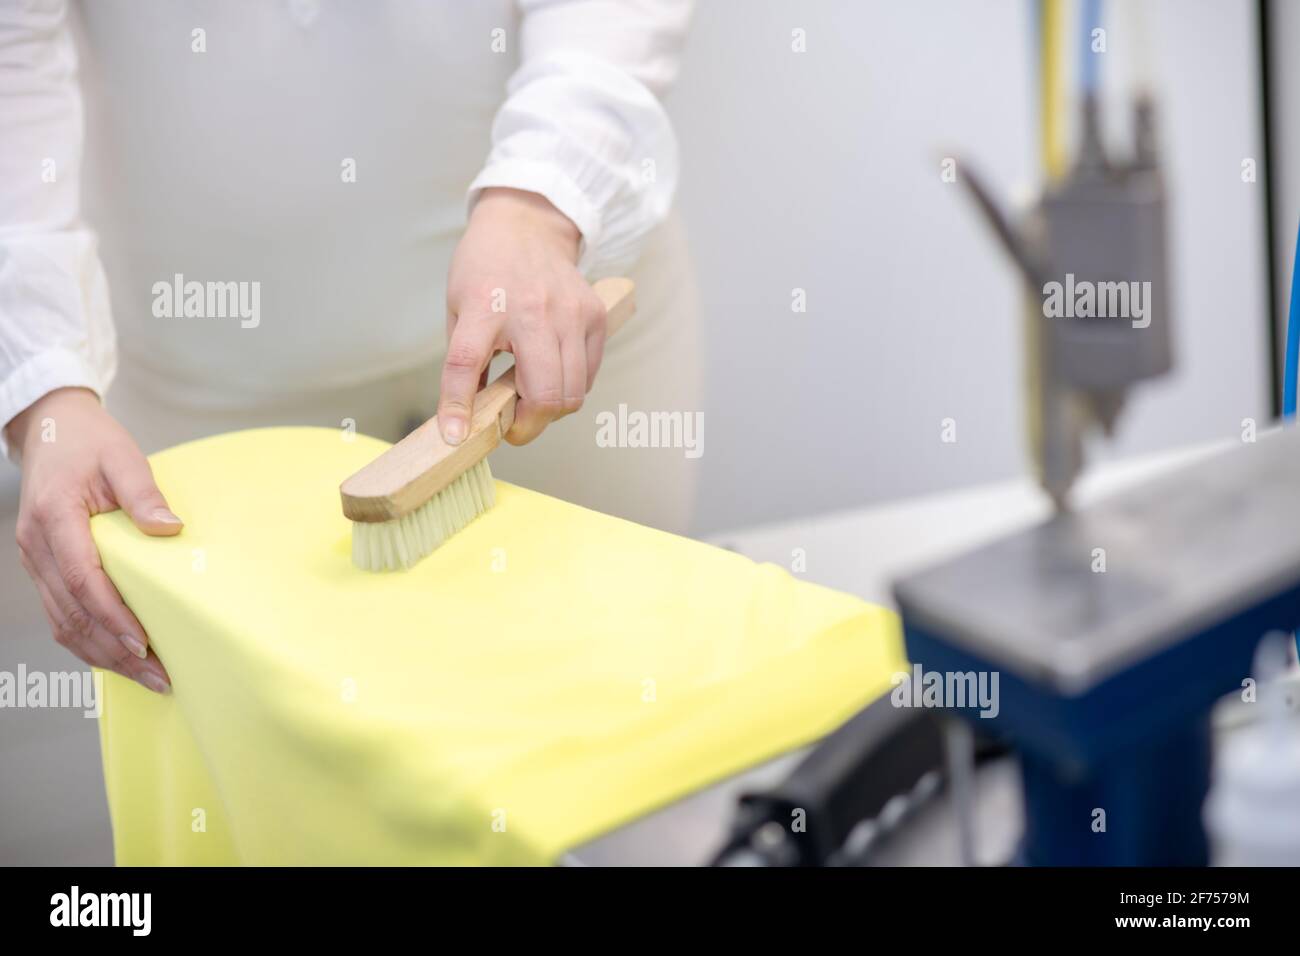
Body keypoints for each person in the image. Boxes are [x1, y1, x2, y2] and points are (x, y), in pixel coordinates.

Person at [0, 0, 700, 695]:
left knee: (613, 685)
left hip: (551, 305)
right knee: (287, 750)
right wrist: (44, 386)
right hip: (205, 382)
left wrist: (543, 202)